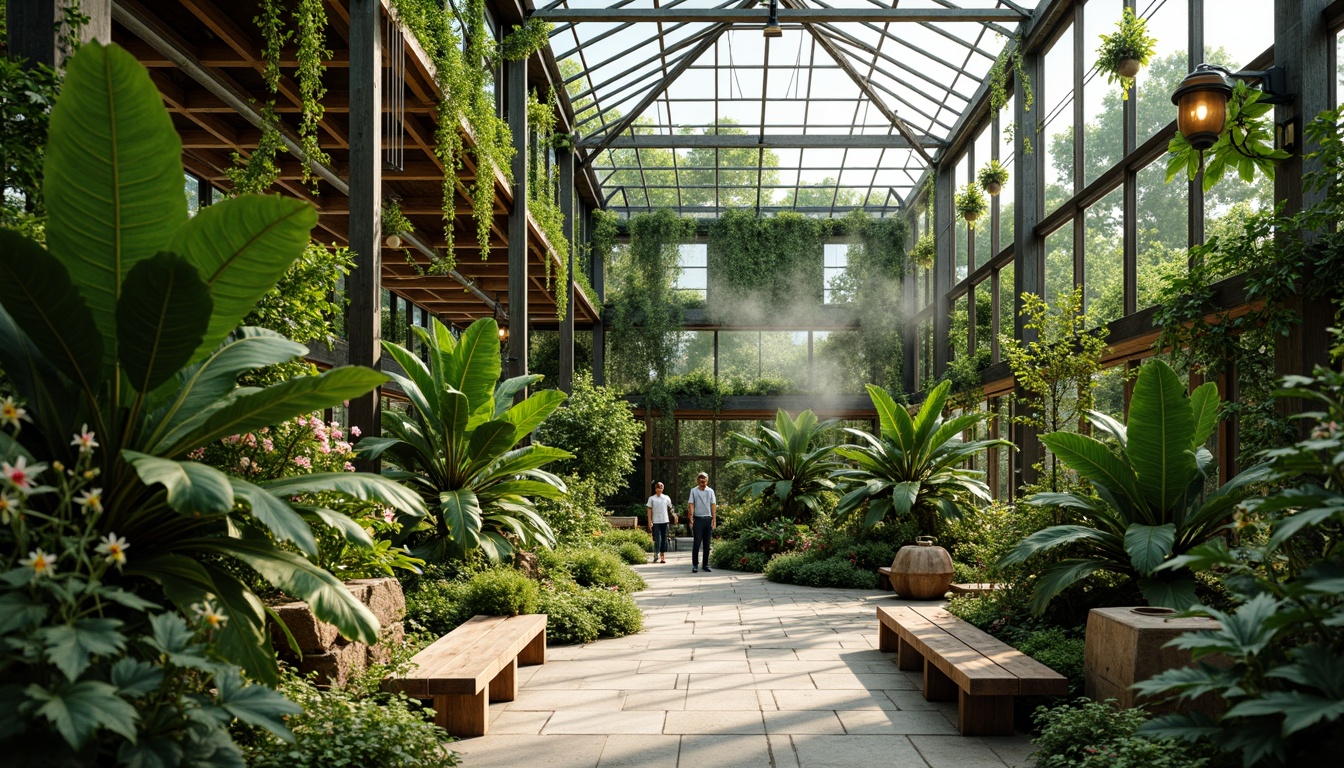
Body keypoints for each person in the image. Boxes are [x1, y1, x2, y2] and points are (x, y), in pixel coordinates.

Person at [687, 472, 717, 573]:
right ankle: (695, 565)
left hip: (708, 519)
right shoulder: (694, 491)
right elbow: (691, 504)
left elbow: (713, 506)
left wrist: (714, 520)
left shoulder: (710, 491)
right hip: (698, 519)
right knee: (696, 543)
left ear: (707, 481)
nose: (702, 484)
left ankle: (705, 564)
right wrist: (690, 516)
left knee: (707, 544)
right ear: (698, 481)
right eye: (700, 482)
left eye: (704, 482)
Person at [646, 481, 676, 564]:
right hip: (656, 521)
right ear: (655, 489)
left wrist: (675, 515)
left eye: (661, 487)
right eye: (658, 487)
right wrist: (649, 521)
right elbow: (649, 510)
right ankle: (656, 553)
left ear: (663, 489)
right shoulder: (652, 498)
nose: (659, 489)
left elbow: (671, 508)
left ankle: (662, 555)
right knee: (657, 539)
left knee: (664, 539)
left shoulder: (666, 498)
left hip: (665, 521)